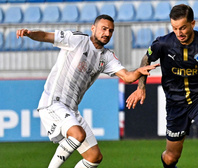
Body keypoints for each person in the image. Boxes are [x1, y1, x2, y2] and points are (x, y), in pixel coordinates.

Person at [16, 14, 159, 168]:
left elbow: (127, 76)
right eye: (103, 29)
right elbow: (45, 35)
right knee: (78, 135)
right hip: (53, 102)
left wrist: (139, 71)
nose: (107, 33)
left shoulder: (107, 56)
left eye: (110, 31)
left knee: (94, 157)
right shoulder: (76, 39)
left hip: (71, 109)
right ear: (93, 28)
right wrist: (30, 34)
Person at [126, 4, 198, 168]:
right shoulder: (163, 43)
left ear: (193, 23)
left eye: (183, 28)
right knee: (171, 157)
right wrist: (141, 86)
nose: (179, 33)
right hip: (175, 103)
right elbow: (145, 60)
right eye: (175, 28)